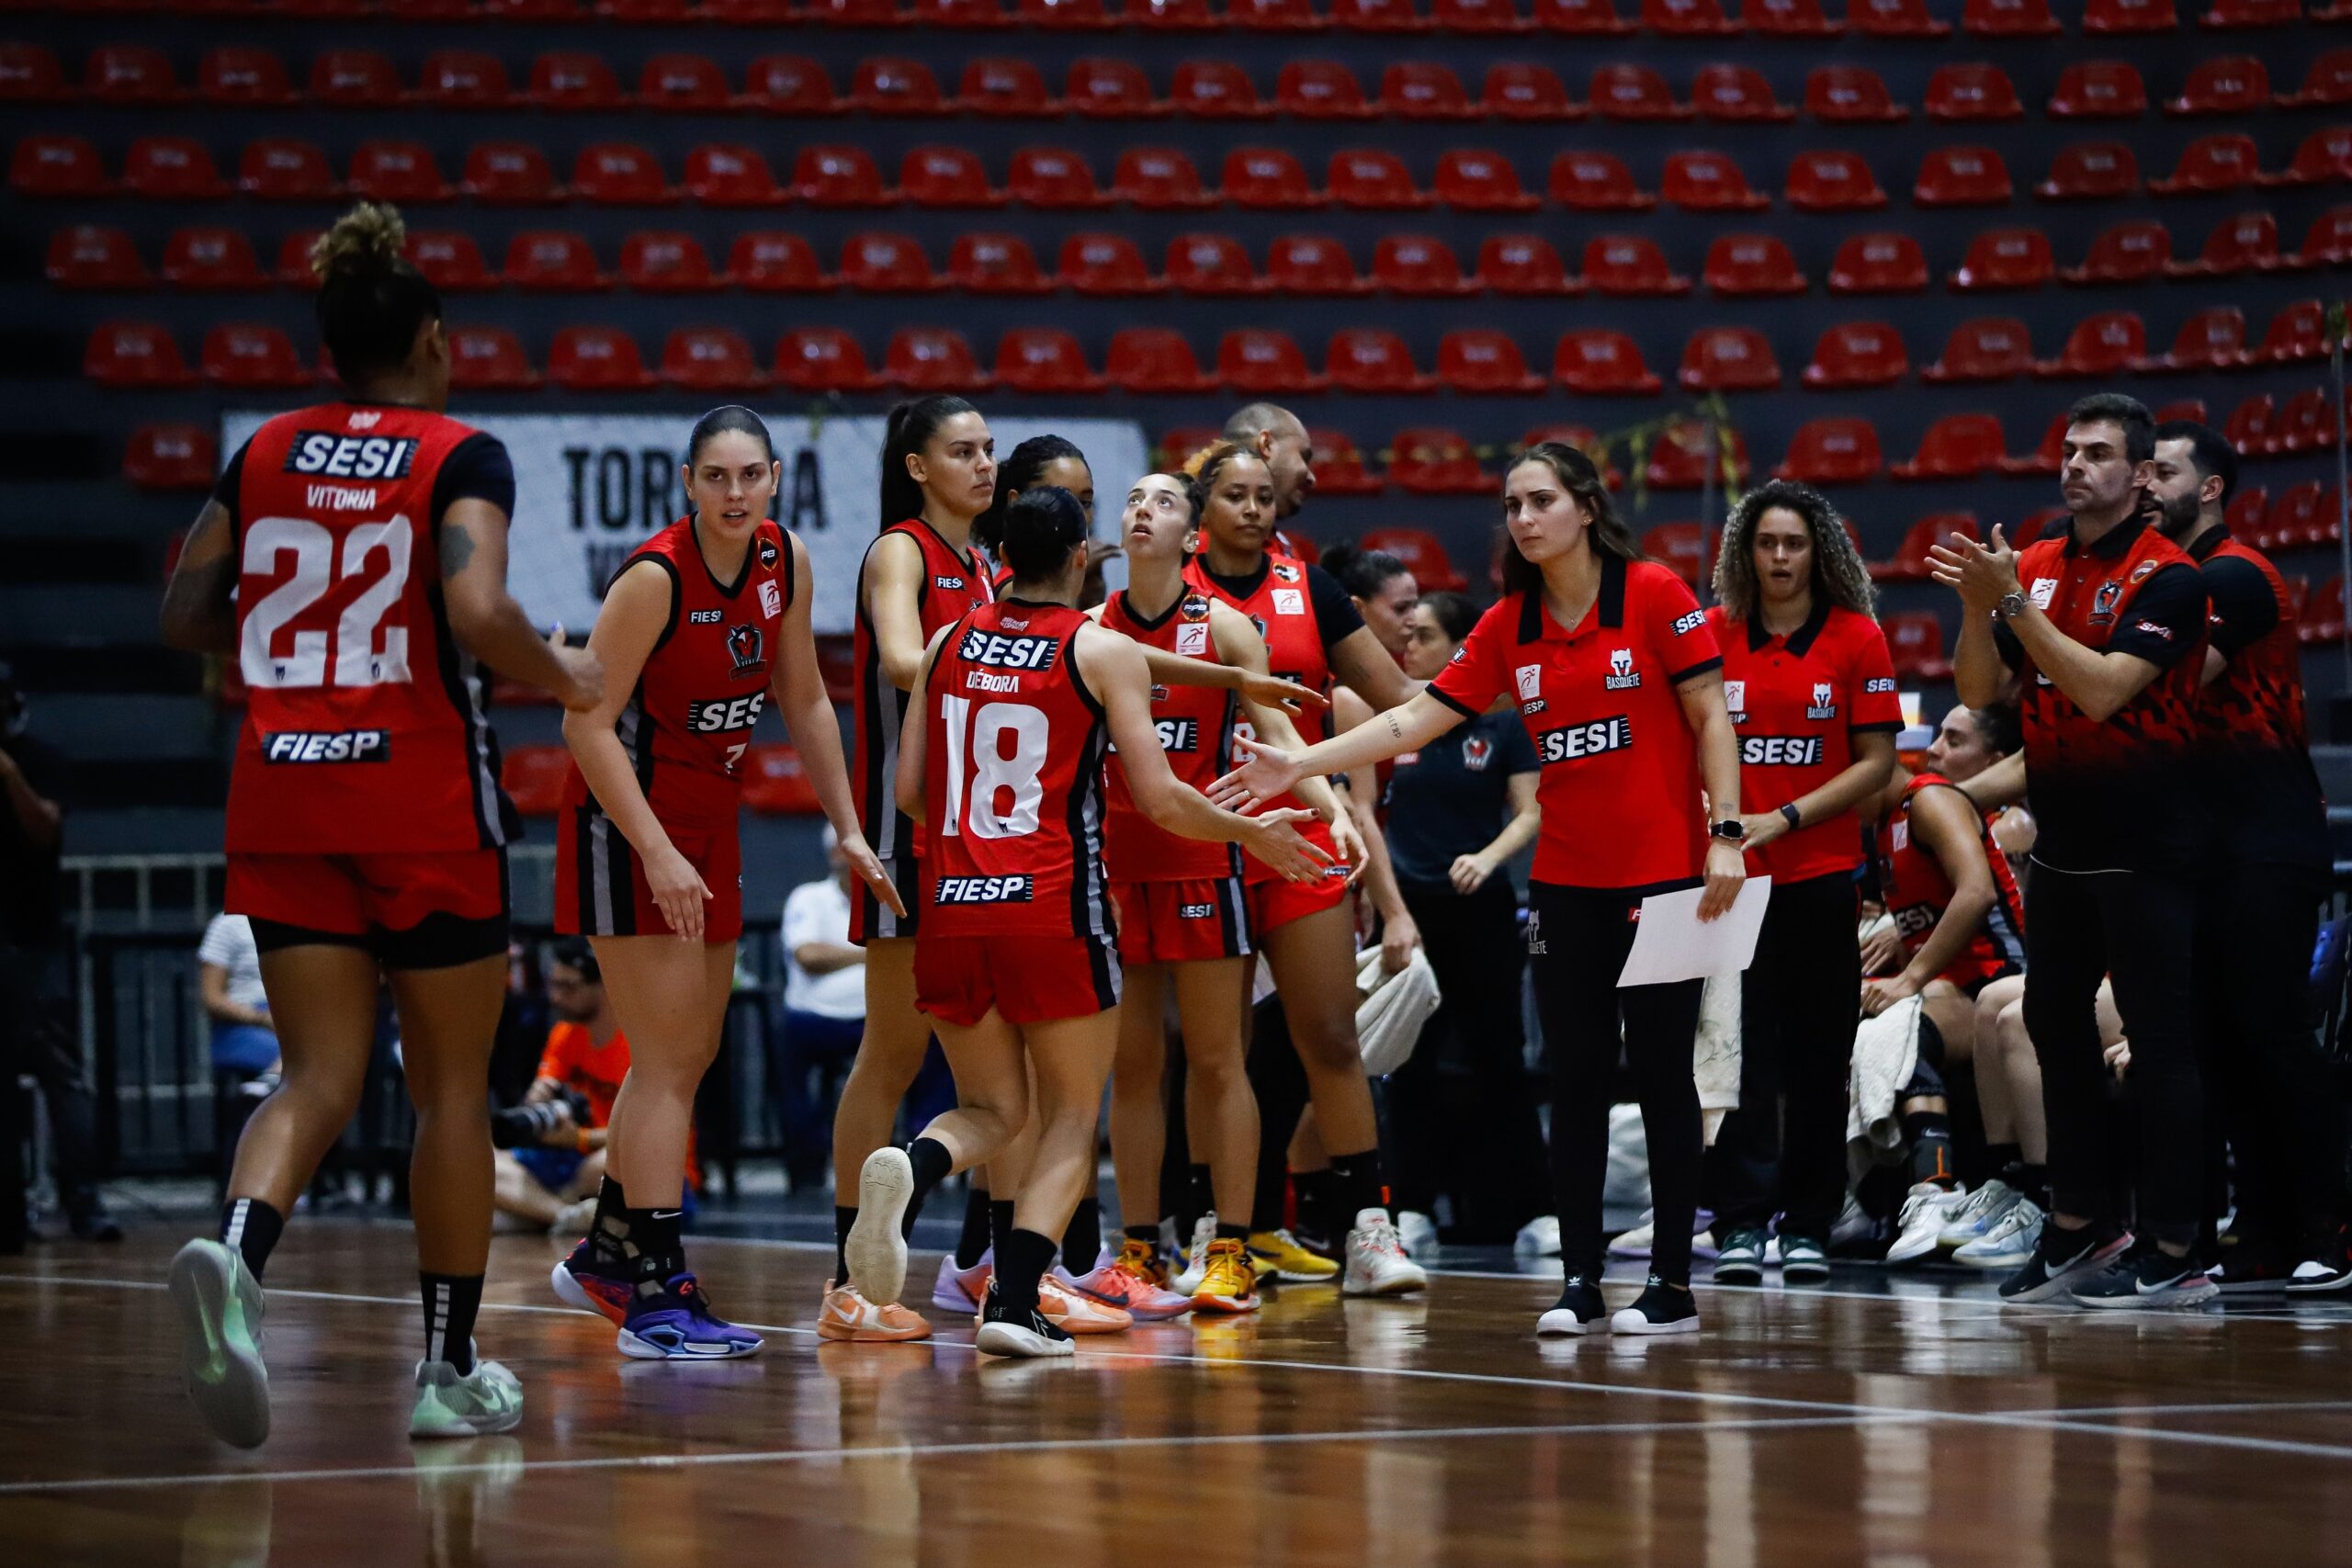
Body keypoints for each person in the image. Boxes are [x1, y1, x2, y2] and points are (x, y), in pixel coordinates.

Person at [158, 200, 605, 1445]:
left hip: (282, 787)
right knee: (452, 1089)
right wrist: (561, 674)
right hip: (417, 794)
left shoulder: (260, 455)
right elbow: (474, 604)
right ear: (431, 336)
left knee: (316, 1075)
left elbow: (187, 608)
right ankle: (449, 1366)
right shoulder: (457, 451)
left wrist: (292, 654)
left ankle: (238, 1260)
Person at [1216, 441, 1747, 1337]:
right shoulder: (1507, 625)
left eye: (1539, 500)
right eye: (1511, 505)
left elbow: (1711, 715)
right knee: (1573, 1080)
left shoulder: (1654, 593)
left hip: (1668, 880)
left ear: (1584, 505)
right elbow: (1411, 717)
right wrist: (1298, 763)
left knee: (1662, 1077)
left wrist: (1725, 832)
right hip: (1566, 886)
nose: (1522, 518)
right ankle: (1580, 1283)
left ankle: (1669, 1286)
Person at [841, 486, 1329, 1358]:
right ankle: (1015, 1302)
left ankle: (913, 1167)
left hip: (950, 908)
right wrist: (1253, 828)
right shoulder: (1103, 651)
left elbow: (910, 793)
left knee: (991, 1107)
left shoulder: (949, 641)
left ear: (1000, 559)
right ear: (1079, 560)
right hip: (1053, 906)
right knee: (1070, 1114)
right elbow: (1163, 799)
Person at [550, 404, 899, 1359]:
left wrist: (848, 825)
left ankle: (610, 1253)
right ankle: (657, 1294)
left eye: (751, 476)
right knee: (663, 1063)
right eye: (717, 478)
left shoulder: (784, 559)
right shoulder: (656, 577)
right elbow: (584, 725)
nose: (735, 493)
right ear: (689, 484)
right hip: (632, 820)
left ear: (776, 479)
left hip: (712, 812)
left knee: (686, 1058)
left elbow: (803, 699)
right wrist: (657, 850)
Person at [1929, 392, 2217, 1308]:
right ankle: (2080, 1227)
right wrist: (1982, 613)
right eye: (2067, 449)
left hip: (2151, 847)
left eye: (2096, 453)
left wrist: (2010, 599)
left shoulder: (2171, 576)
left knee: (2163, 1049)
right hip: (2063, 846)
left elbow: (2100, 691)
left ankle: (2180, 1245)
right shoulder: (2039, 560)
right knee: (2053, 1035)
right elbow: (1980, 692)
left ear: (2140, 477)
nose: (2073, 465)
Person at [1090, 469, 1363, 1317]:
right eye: (1134, 499)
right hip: (1118, 870)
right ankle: (1139, 1249)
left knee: (1217, 1060)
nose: (1143, 509)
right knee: (1134, 1069)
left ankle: (1231, 1249)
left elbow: (1277, 729)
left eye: (1164, 501)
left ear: (1192, 536)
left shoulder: (1230, 627)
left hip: (1206, 866)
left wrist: (1333, 808)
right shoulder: (1092, 627)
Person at [1182, 435, 1426, 1296]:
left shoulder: (1312, 588)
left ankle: (1368, 1228)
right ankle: (1216, 1234)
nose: (1253, 507)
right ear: (1199, 507)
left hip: (1302, 832)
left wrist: (1499, 682)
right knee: (1218, 1053)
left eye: (1262, 495)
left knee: (1328, 1034)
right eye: (1234, 494)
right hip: (1203, 834)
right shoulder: (1169, 594)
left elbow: (1399, 695)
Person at [2143, 419, 2346, 1293]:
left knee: (2273, 1035)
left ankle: (2330, 1227)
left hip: (2269, 836)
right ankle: (2261, 1226)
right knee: (2220, 1043)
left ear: (2212, 488)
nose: (2148, 484)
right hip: (2205, 848)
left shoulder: (2235, 575)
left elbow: (2163, 688)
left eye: (2165, 470)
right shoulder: (2168, 581)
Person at [827, 396, 1001, 1343]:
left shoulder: (983, 562)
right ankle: (847, 1277)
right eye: (961, 452)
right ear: (917, 467)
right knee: (892, 1056)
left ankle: (1003, 1272)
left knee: (993, 1060)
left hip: (979, 840)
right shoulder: (901, 551)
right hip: (910, 839)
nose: (983, 465)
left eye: (988, 450)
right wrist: (1013, 647)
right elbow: (901, 660)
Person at [1702, 481, 1902, 1284]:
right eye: (1766, 543)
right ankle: (1741, 1224)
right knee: (1733, 1055)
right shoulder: (1713, 634)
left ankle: (1810, 1221)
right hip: (1727, 883)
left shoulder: (1857, 638)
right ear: (1745, 553)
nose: (1780, 557)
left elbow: (1878, 763)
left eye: (1793, 543)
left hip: (1820, 875)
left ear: (1819, 550)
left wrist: (1782, 817)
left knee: (1820, 1057)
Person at [1378, 591, 1549, 1247]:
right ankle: (1412, 1205)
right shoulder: (1397, 715)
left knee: (1500, 1058)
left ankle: (1537, 1210)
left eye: (1422, 635)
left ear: (1458, 647)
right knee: (1412, 1063)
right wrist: (1389, 906)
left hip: (1481, 908)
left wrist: (1489, 856)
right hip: (1409, 916)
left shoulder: (1502, 719)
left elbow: (1531, 811)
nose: (1408, 645)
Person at [1860, 703, 2029, 1266]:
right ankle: (1853, 1198)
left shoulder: (1930, 799)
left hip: (2001, 978)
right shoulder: (1882, 828)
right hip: (1955, 985)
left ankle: (1935, 1191)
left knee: (1905, 1027)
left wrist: (1909, 978)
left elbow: (1976, 893)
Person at [0, 661, 115, 1250]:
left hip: (36, 940)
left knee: (63, 1077)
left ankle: (85, 1204)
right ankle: (10, 1216)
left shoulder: (39, 759)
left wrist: (8, 773)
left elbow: (46, 830)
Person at [492, 941, 651, 1234]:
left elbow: (644, 1132)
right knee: (484, 1159)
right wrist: (537, 1106)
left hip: (618, 1154)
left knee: (609, 1163)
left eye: (568, 987)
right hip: (569, 1154)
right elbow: (541, 1090)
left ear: (602, 985)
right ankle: (565, 1215)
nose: (555, 997)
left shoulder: (638, 1041)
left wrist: (578, 1138)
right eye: (554, 985)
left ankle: (537, 1211)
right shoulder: (564, 1034)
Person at [774, 826, 868, 1193]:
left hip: (874, 1018)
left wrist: (840, 954)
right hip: (814, 1017)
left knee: (934, 1041)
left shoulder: (886, 898)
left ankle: (923, 1150)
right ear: (834, 856)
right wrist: (868, 953)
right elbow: (807, 954)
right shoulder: (808, 898)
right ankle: (805, 1162)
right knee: (793, 1050)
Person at [198, 912, 280, 1080]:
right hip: (244, 1024)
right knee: (305, 1053)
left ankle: (269, 1085)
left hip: (293, 1018)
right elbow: (212, 999)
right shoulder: (228, 924)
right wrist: (262, 1018)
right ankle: (271, 1086)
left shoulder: (297, 918)